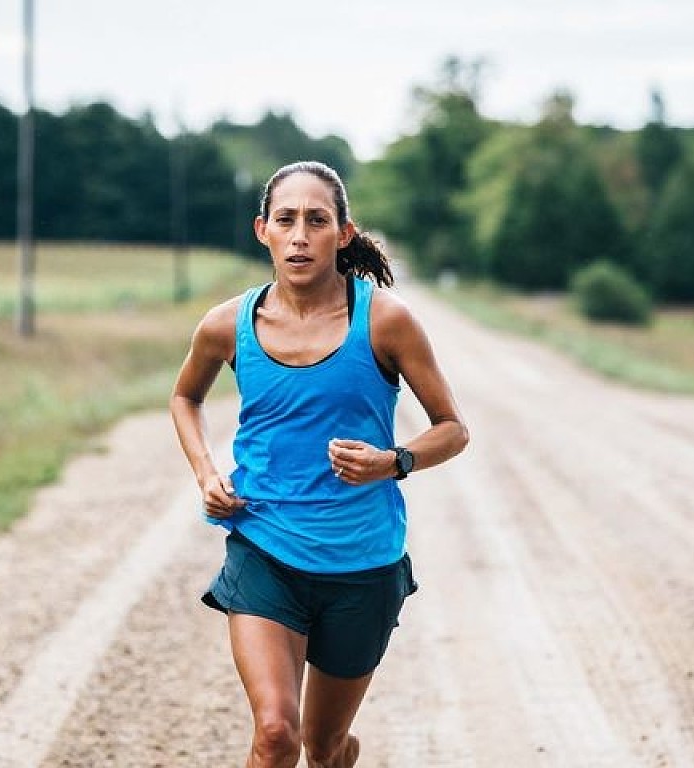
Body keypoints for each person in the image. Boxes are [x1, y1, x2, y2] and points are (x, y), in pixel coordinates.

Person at [169, 160, 469, 768]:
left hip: (362, 565)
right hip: (265, 549)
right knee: (276, 734)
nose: (300, 236)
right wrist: (205, 472)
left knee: (324, 746)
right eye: (286, 220)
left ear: (344, 233)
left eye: (317, 220)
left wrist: (393, 461)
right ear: (263, 231)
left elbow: (452, 429)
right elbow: (185, 397)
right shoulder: (227, 325)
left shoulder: (385, 321)